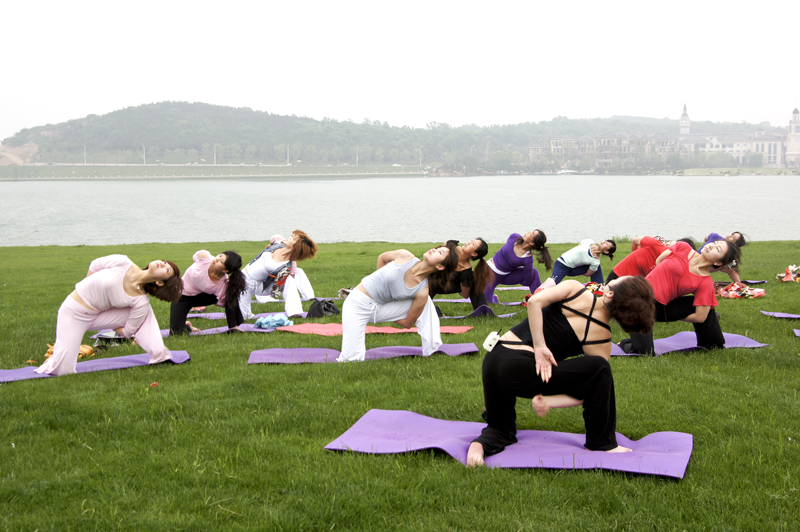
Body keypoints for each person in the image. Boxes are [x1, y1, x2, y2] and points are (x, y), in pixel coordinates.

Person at [466, 275, 656, 467]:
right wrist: (540, 349)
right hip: (520, 370)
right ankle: (601, 443)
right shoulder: (602, 338)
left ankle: (478, 447)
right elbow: (596, 391)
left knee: (501, 429)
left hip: (493, 361)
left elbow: (534, 301)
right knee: (601, 369)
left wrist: (549, 398)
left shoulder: (575, 288)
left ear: (609, 292)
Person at [36, 255, 183, 376]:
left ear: (160, 283)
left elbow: (127, 332)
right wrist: (89, 287)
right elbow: (95, 264)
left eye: (167, 269)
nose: (162, 264)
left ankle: (159, 354)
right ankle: (56, 358)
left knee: (146, 310)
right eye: (164, 262)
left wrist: (113, 321)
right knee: (63, 371)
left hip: (98, 316)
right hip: (72, 313)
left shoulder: (140, 300)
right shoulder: (123, 262)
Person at [338, 243, 458, 362]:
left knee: (427, 303)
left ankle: (432, 348)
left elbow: (407, 323)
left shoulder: (422, 291)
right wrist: (381, 281)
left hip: (378, 308)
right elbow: (382, 258)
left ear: (440, 266)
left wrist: (390, 313)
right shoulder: (404, 256)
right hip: (356, 304)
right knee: (352, 360)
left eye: (440, 252)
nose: (434, 250)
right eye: (437, 248)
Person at [620, 239, 742, 355]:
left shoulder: (705, 282)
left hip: (659, 308)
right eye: (714, 243)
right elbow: (659, 261)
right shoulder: (683, 247)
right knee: (643, 353)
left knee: (704, 305)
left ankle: (713, 343)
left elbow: (700, 316)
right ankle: (625, 343)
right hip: (636, 301)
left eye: (718, 249)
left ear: (719, 262)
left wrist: (677, 315)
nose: (711, 246)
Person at [238, 231, 318, 318]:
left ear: (295, 247)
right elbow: (275, 237)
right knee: (244, 316)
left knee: (289, 280)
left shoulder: (287, 266)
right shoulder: (279, 244)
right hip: (243, 281)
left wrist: (279, 284)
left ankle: (294, 312)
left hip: (261, 286)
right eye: (292, 235)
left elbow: (277, 291)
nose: (290, 237)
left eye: (293, 238)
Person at [169, 250, 247, 335]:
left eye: (221, 261)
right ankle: (187, 325)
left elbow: (228, 302)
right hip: (182, 296)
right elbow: (199, 255)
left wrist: (233, 326)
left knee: (230, 295)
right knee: (175, 333)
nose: (217, 259)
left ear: (226, 270)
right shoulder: (205, 260)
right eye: (220, 255)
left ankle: (233, 327)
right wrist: (203, 254)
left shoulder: (223, 283)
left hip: (200, 298)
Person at [483, 231, 552, 304]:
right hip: (489, 273)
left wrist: (521, 279)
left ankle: (540, 300)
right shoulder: (514, 237)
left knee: (534, 273)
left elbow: (528, 280)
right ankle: (494, 298)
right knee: (487, 303)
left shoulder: (527, 259)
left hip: (505, 276)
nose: (528, 232)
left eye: (531, 234)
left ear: (532, 243)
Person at [428, 238, 493, 311]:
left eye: (473, 244)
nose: (469, 243)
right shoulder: (452, 246)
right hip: (428, 280)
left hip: (441, 286)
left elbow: (464, 295)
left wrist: (465, 282)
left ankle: (482, 311)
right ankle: (434, 310)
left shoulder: (466, 272)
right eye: (471, 241)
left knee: (474, 283)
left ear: (474, 254)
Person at [606, 237, 695, 283]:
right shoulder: (653, 244)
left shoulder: (671, 266)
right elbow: (635, 241)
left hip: (634, 286)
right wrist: (635, 255)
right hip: (618, 275)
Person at [550, 238, 616, 284]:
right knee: (551, 285)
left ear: (606, 251)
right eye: (605, 241)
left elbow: (588, 274)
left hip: (573, 269)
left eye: (607, 244)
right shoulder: (589, 242)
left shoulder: (595, 262)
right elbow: (579, 245)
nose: (604, 242)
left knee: (596, 267)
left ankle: (598, 290)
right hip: (561, 264)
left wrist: (580, 267)